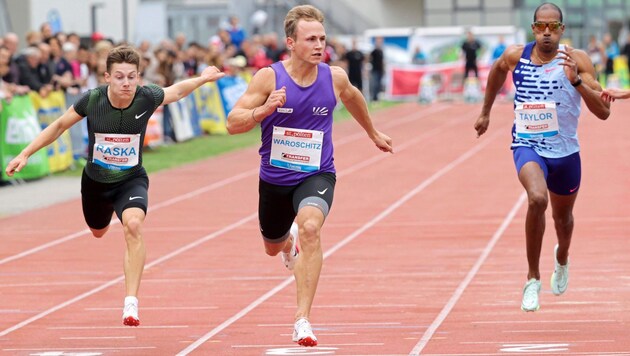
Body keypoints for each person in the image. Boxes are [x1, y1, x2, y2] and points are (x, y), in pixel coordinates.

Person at [4, 45, 224, 326]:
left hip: (131, 179)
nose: (126, 83)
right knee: (97, 231)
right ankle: (106, 214)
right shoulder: (92, 100)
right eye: (119, 77)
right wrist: (25, 153)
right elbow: (59, 126)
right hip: (96, 183)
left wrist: (203, 78)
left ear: (139, 77)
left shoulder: (147, 97)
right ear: (107, 77)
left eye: (132, 77)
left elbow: (176, 91)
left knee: (133, 225)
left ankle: (130, 302)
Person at [225, 5, 393, 347]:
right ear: (291, 42)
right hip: (274, 178)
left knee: (311, 227)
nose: (319, 45)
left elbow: (354, 98)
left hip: (317, 173)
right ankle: (285, 244)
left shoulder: (334, 77)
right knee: (272, 247)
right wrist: (263, 110)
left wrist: (373, 133)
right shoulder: (269, 78)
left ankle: (302, 319)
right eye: (311, 39)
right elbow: (232, 122)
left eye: (322, 38)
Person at [473, 2, 610, 312]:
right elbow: (496, 71)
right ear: (533, 28)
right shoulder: (515, 56)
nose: (546, 32)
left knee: (563, 220)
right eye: (540, 26)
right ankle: (532, 278)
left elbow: (603, 112)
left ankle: (562, 257)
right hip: (527, 144)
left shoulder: (577, 60)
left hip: (566, 153)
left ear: (562, 29)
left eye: (553, 26)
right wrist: (485, 112)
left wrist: (575, 80)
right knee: (537, 198)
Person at [369, 36, 384, 102]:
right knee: (374, 84)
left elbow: (382, 61)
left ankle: (377, 97)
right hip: (375, 70)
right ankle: (374, 98)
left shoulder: (381, 51)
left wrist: (383, 69)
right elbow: (369, 58)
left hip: (380, 70)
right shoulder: (374, 51)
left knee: (379, 84)